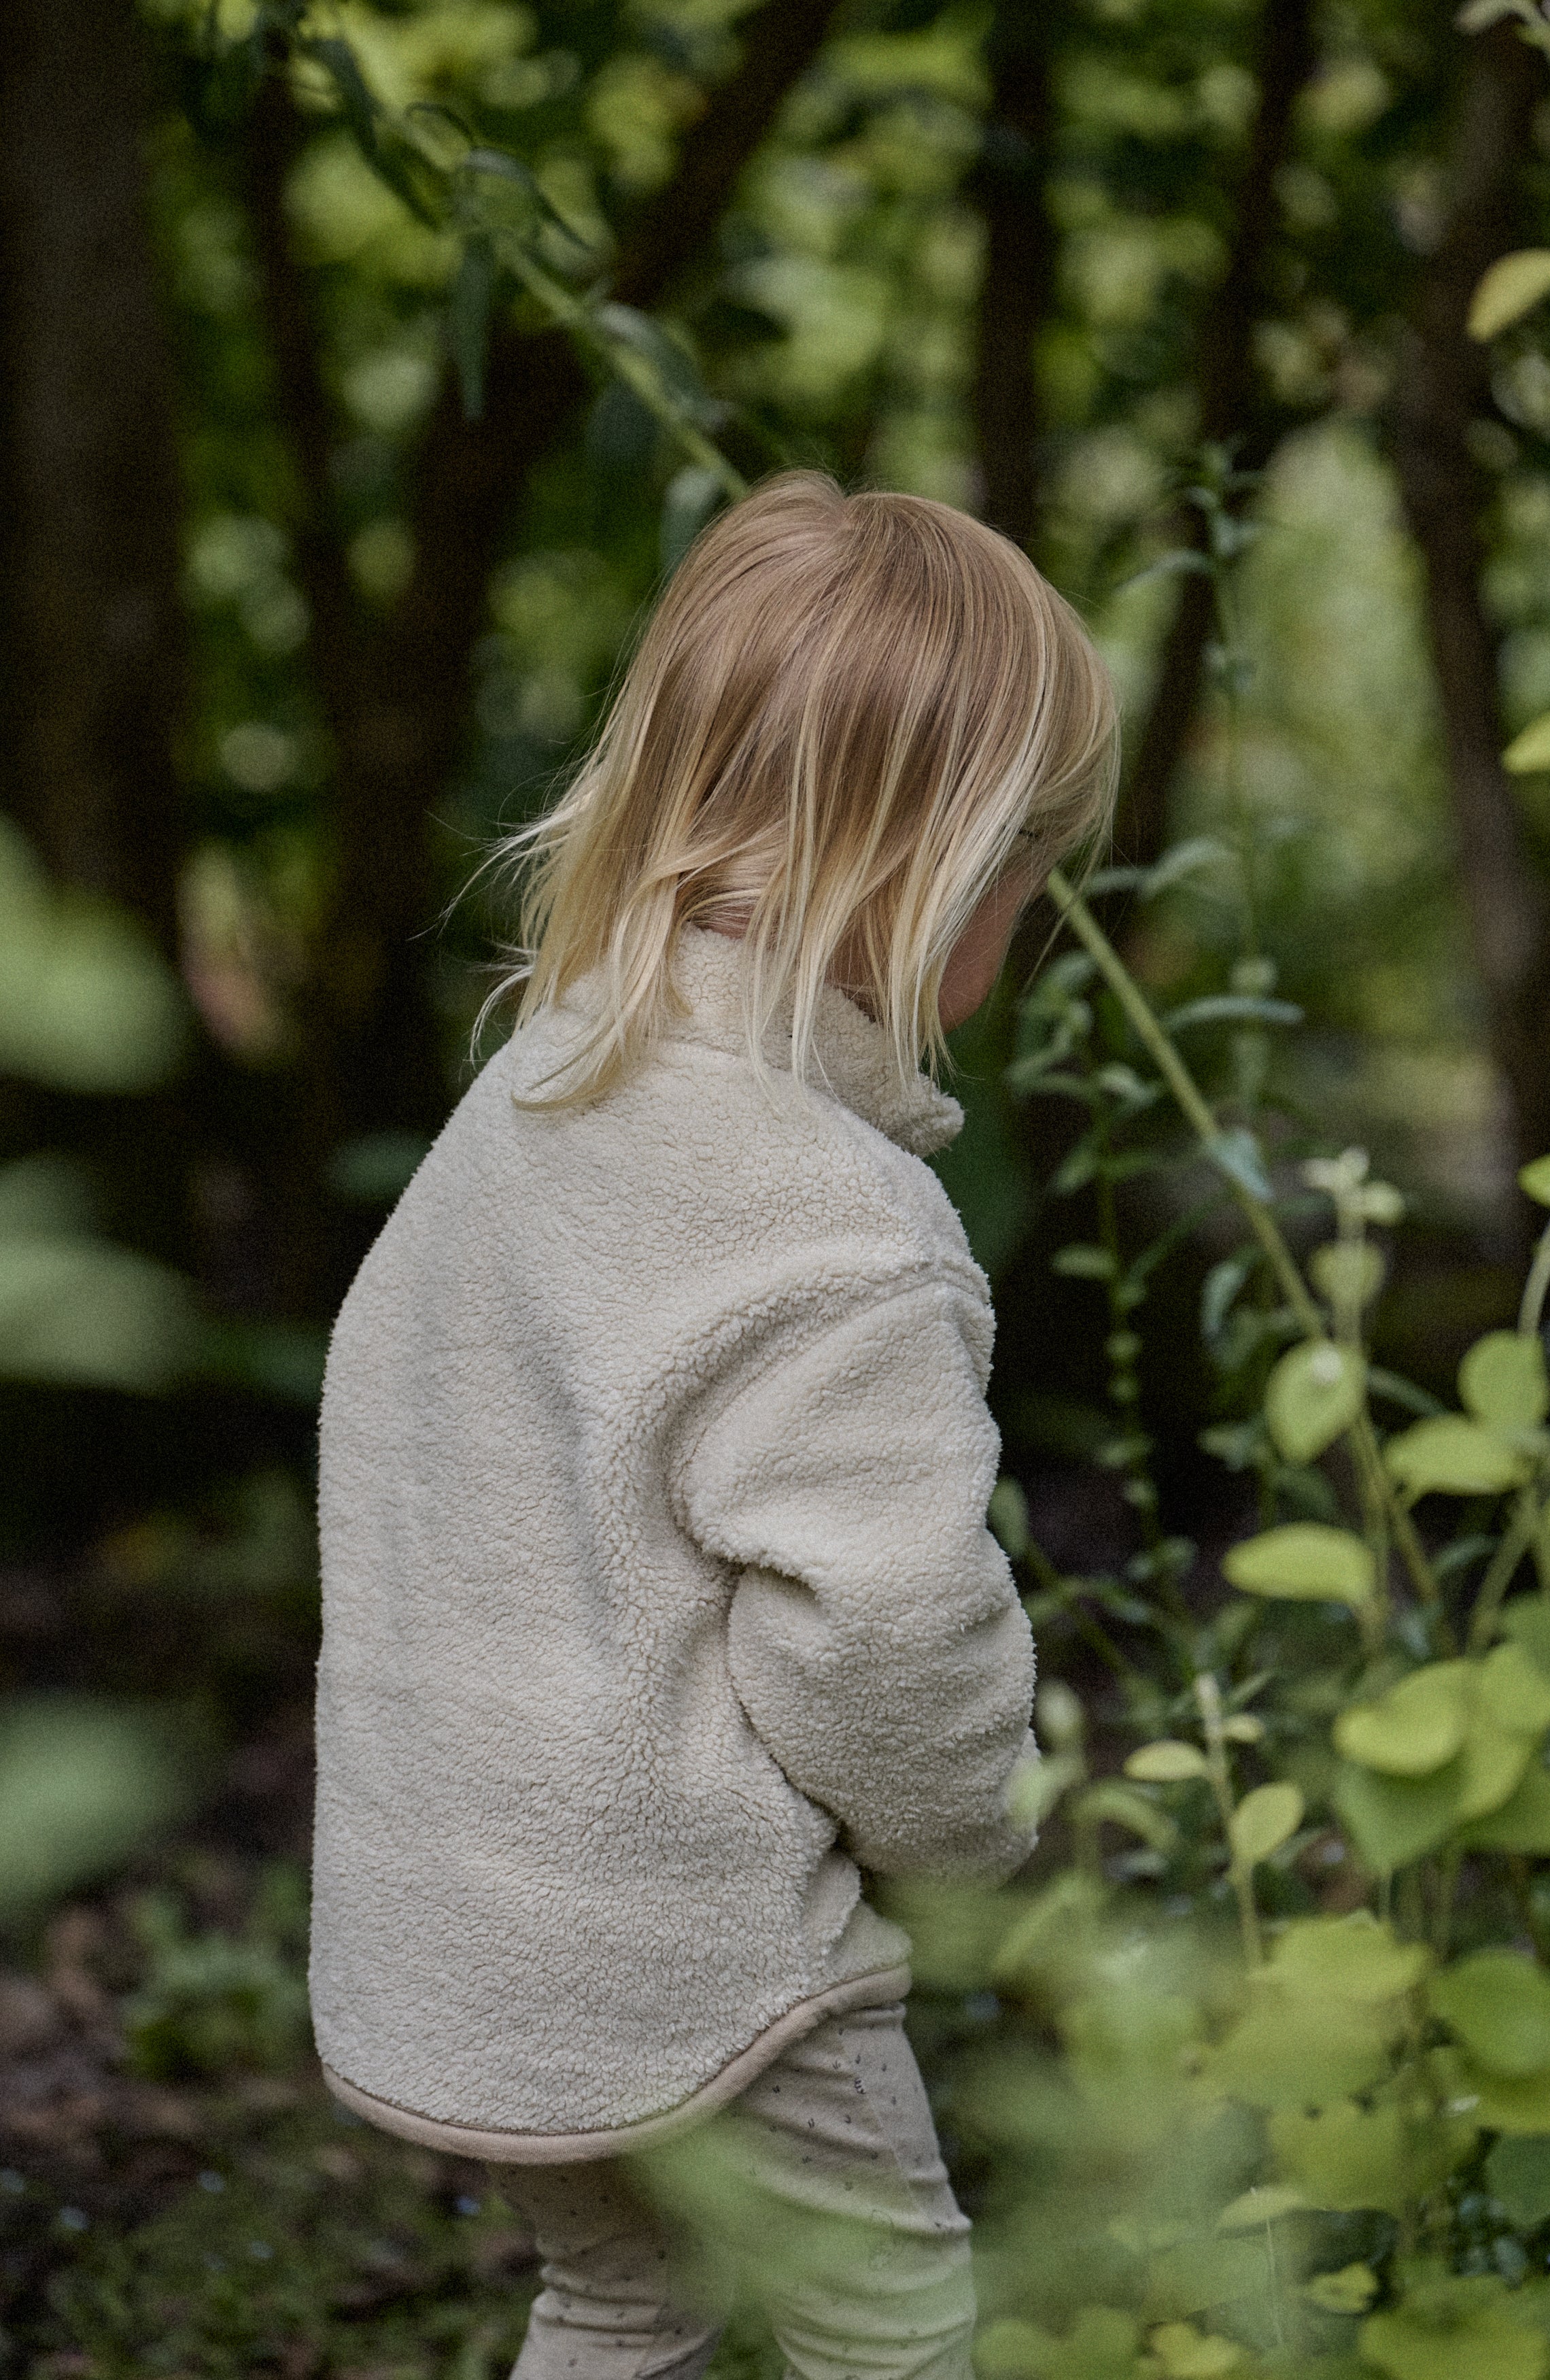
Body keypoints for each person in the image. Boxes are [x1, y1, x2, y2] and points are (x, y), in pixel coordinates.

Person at [309, 471, 1118, 2380]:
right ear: (932, 872)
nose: (1030, 922)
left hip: (458, 1918)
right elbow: (888, 1637)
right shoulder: (832, 1225)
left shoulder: (537, 1096)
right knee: (890, 2313)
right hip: (690, 1945)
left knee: (623, 2296)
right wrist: (977, 1843)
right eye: (1031, 874)